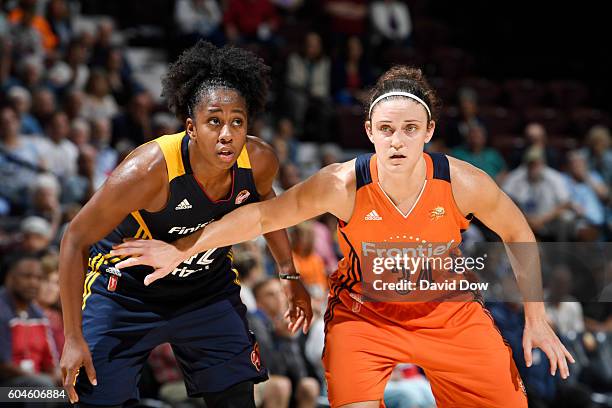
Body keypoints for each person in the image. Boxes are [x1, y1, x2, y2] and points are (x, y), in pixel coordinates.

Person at [112, 66, 574, 407]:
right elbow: (260, 216)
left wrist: (536, 318)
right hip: (364, 318)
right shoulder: (341, 184)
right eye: (387, 130)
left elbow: (517, 232)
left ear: (429, 132)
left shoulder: (462, 181)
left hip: (448, 315)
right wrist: (182, 248)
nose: (398, 141)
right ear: (369, 131)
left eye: (410, 129)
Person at [58, 41, 312, 407]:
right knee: (96, 397)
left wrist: (289, 274)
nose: (227, 133)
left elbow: (267, 208)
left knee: (237, 395)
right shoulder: (147, 171)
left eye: (237, 121)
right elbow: (74, 239)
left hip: (205, 290)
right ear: (191, 127)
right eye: (214, 121)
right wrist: (71, 336)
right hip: (127, 290)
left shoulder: (258, 161)